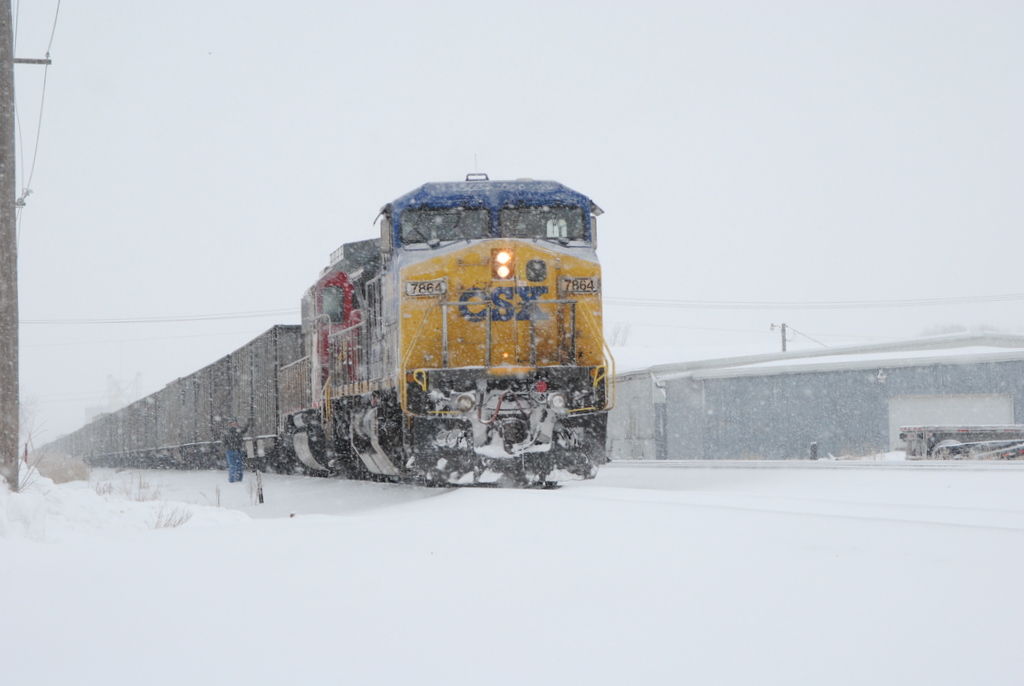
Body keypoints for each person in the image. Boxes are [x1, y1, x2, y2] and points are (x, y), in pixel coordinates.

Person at [222, 418, 249, 483]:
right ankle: (232, 480)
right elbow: (224, 442)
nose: (234, 424)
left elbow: (244, 430)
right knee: (233, 465)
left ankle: (239, 479)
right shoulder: (228, 432)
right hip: (230, 450)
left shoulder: (238, 430)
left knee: (239, 465)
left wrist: (247, 424)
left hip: (238, 450)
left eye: (235, 422)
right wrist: (228, 446)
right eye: (233, 422)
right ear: (230, 424)